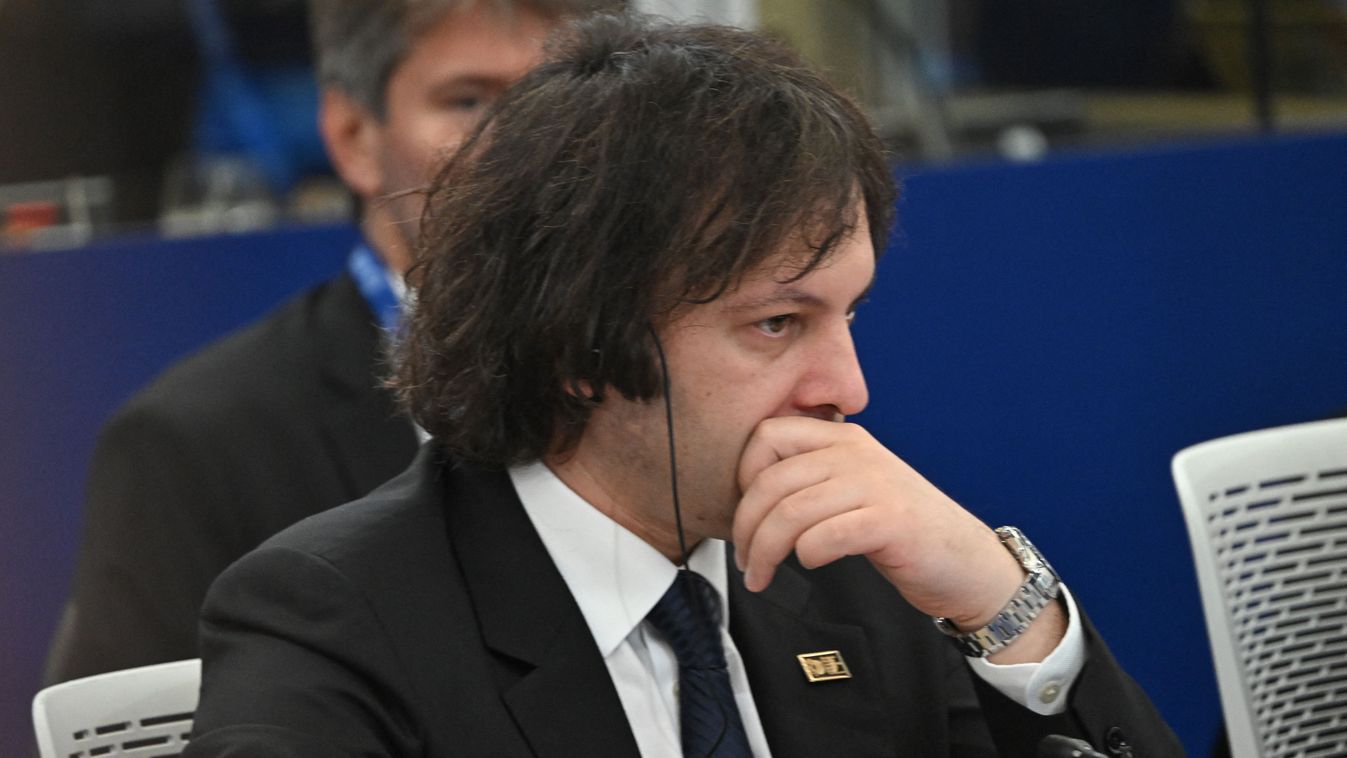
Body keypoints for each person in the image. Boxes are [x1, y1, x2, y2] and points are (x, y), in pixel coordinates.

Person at [185, 14, 1182, 757]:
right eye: (777, 323)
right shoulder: (334, 615)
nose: (848, 388)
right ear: (579, 341)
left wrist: (1003, 604)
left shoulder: (844, 567)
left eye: (850, 314)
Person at [45, 0, 619, 684]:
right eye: (467, 101)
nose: (529, 147)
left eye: (555, 100)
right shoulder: (196, 446)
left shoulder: (699, 383)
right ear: (351, 135)